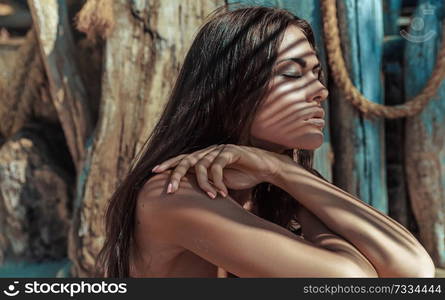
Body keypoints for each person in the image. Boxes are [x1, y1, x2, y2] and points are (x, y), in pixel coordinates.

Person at [96, 5, 435, 278]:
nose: (320, 91)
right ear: (231, 90)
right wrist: (285, 174)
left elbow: (414, 270)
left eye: (315, 74)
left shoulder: (274, 183)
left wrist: (282, 171)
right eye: (291, 73)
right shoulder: (171, 194)